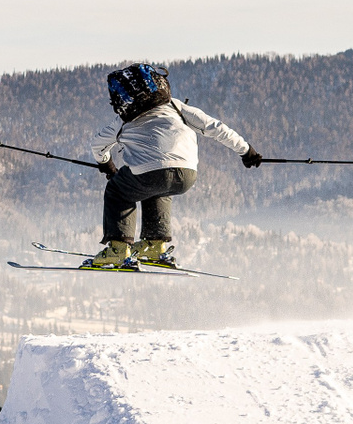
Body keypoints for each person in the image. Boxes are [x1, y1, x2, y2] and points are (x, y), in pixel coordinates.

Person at [83, 63, 262, 269]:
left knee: (117, 190)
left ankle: (118, 249)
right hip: (186, 174)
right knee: (157, 187)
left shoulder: (123, 120)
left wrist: (107, 165)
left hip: (147, 174)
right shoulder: (176, 107)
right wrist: (246, 151)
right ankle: (154, 244)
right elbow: (215, 127)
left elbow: (98, 145)